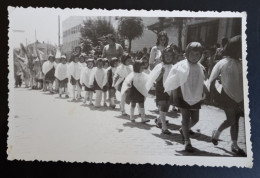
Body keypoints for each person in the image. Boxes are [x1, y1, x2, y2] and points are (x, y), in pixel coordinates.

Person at [164, 42, 207, 152]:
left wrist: (205, 89)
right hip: (182, 95)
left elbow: (203, 80)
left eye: (197, 55)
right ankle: (187, 142)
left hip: (195, 95)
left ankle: (183, 130)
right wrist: (170, 88)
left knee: (195, 119)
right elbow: (172, 77)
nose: (194, 57)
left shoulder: (200, 67)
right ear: (187, 54)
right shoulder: (180, 65)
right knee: (185, 118)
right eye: (192, 54)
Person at [209, 35, 246, 157]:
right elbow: (212, 77)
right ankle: (217, 134)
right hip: (226, 95)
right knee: (231, 120)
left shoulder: (241, 63)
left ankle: (234, 144)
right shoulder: (223, 62)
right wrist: (212, 93)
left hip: (239, 96)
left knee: (236, 121)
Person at [146, 46, 177, 135]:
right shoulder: (160, 66)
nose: (168, 57)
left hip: (170, 89)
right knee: (163, 105)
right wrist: (162, 73)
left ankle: (159, 120)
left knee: (166, 107)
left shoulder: (174, 67)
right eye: (166, 55)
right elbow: (155, 80)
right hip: (161, 89)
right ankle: (164, 127)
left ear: (173, 57)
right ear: (163, 56)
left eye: (170, 55)